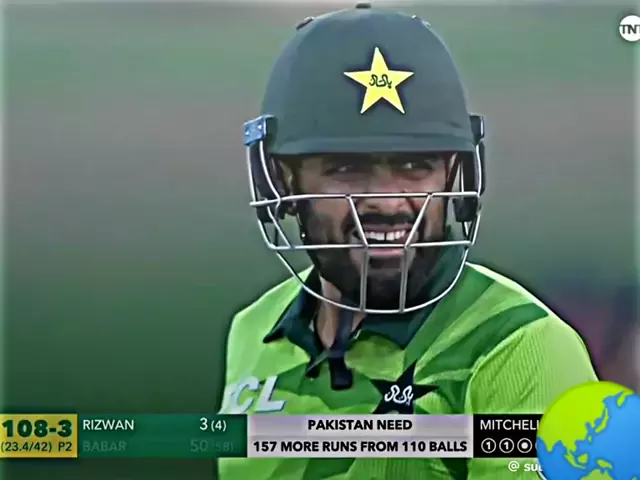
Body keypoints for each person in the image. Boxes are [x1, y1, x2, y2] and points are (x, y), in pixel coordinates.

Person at [218, 4, 598, 479]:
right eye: (346, 167)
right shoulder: (254, 330)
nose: (388, 202)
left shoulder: (519, 347)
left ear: (454, 173)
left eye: (416, 166)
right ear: (283, 179)